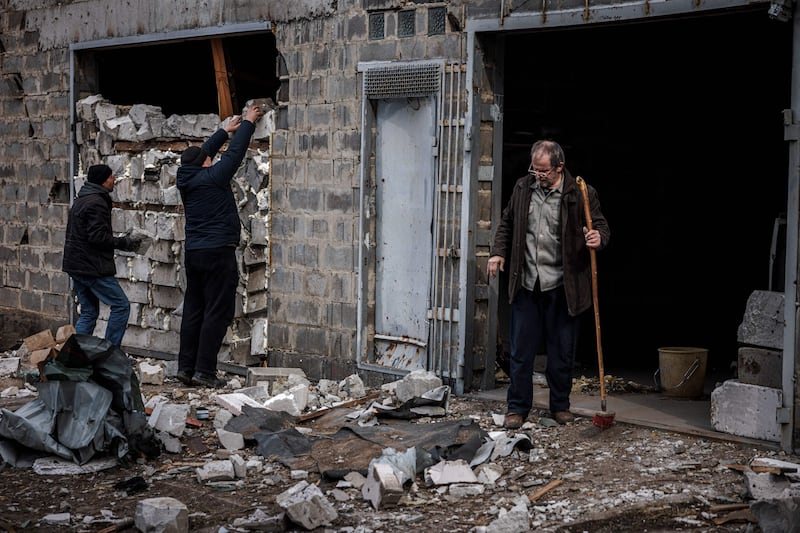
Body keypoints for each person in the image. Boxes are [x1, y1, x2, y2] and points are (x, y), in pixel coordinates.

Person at [488, 140, 610, 428]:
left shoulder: (579, 193)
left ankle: (560, 405)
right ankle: (516, 408)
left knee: (561, 352)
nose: (538, 175)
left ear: (559, 167)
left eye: (543, 171)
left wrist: (597, 239)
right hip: (527, 283)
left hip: (563, 287)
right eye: (535, 169)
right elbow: (507, 223)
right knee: (521, 352)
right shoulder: (522, 188)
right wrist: (497, 252)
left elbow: (601, 227)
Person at [175, 103, 264, 388]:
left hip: (195, 253)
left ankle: (185, 369)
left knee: (194, 309)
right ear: (206, 164)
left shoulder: (186, 178)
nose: (212, 158)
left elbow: (205, 153)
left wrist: (224, 131)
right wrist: (249, 122)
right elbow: (235, 155)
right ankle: (205, 372)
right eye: (209, 158)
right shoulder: (214, 177)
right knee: (217, 311)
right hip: (218, 253)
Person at [63, 164, 141, 347]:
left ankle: (76, 358)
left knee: (89, 312)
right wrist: (124, 242)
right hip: (91, 267)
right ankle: (109, 355)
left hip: (76, 265)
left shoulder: (83, 199)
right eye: (111, 176)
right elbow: (97, 237)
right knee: (121, 306)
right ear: (103, 180)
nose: (114, 179)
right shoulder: (96, 203)